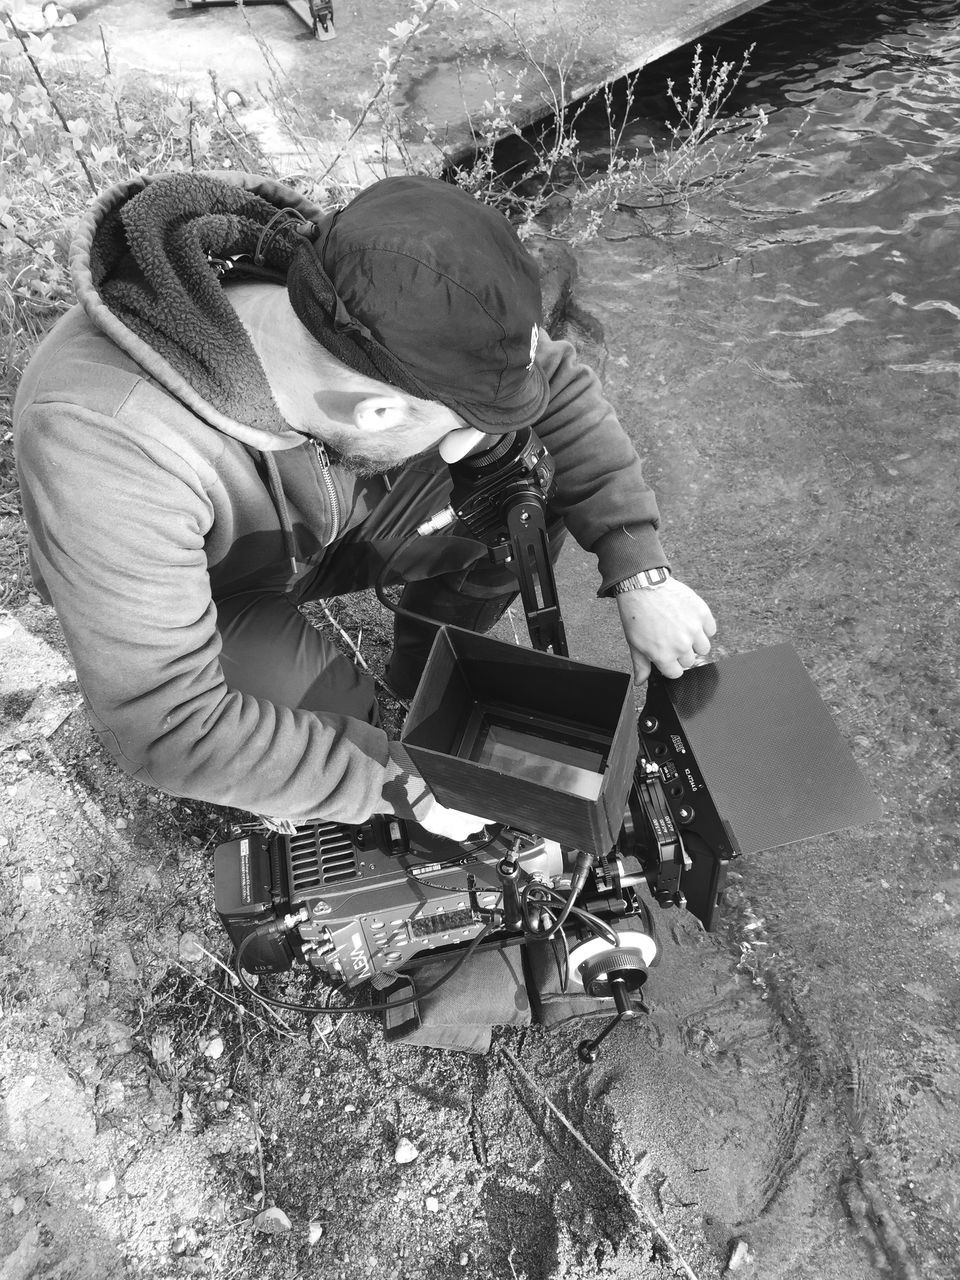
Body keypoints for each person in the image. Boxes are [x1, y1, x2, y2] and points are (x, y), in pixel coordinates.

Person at [13, 171, 716, 842]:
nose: (469, 444)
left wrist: (638, 568)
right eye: (455, 427)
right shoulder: (106, 443)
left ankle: (426, 685)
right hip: (213, 586)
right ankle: (382, 734)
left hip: (329, 504)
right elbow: (168, 725)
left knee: (524, 474)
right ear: (377, 409)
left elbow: (550, 382)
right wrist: (398, 782)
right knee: (344, 739)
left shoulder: (346, 283)